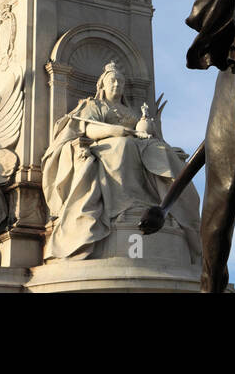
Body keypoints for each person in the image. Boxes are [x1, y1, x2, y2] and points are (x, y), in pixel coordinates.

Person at [41, 63, 199, 260]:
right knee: (122, 146)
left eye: (120, 82)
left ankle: (168, 209)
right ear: (103, 85)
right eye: (112, 81)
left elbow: (145, 132)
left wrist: (148, 127)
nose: (117, 85)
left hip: (139, 144)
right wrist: (114, 131)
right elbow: (87, 129)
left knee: (165, 153)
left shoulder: (129, 110)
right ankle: (126, 207)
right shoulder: (94, 105)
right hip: (105, 145)